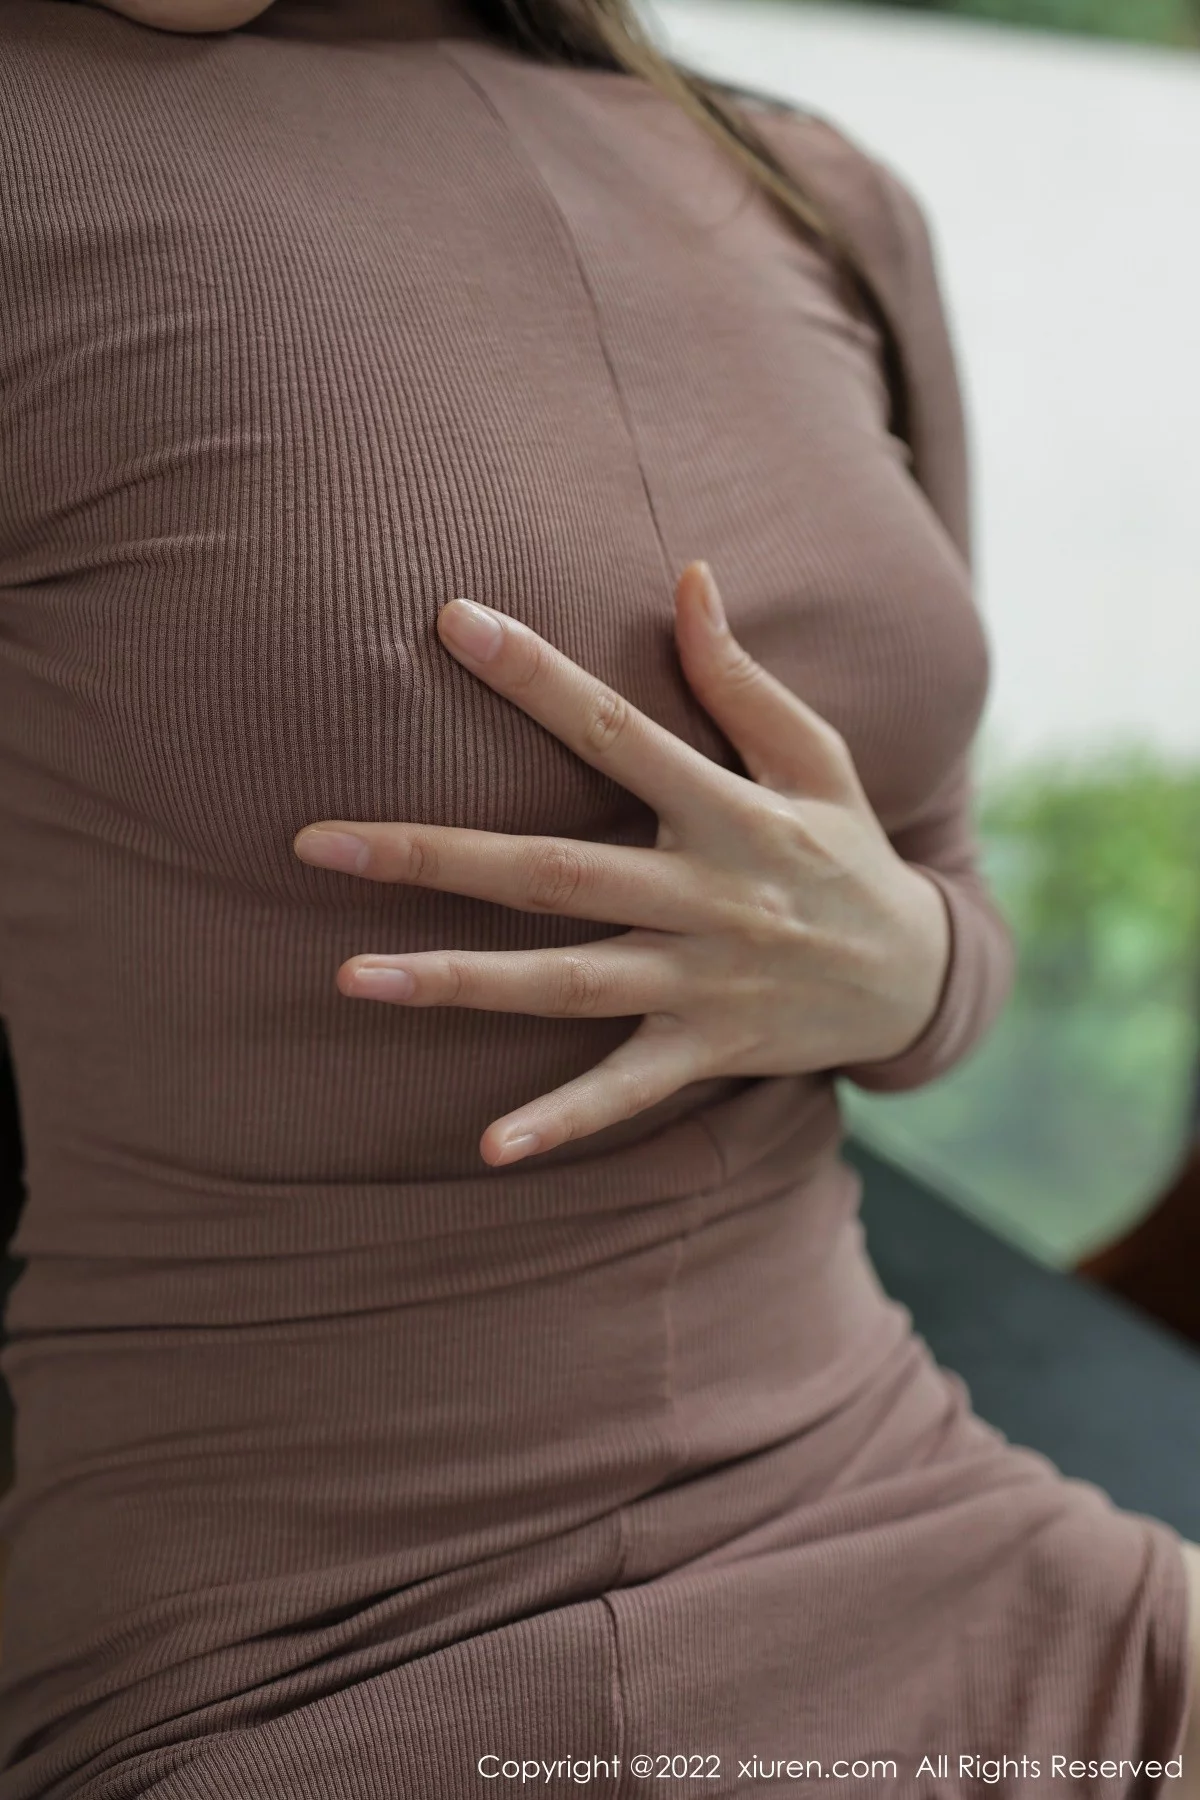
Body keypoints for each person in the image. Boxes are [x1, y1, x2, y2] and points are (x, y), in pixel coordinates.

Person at [0, 0, 1196, 1790]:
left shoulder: (810, 193)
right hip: (310, 1640)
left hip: (902, 1491)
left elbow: (938, 889)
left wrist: (908, 966)